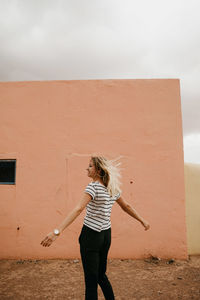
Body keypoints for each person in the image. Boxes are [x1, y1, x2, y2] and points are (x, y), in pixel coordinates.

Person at [41, 156, 150, 300]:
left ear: (98, 170)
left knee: (91, 280)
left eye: (90, 166)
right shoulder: (112, 187)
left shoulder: (93, 187)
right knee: (100, 275)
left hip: (91, 237)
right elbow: (126, 206)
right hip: (106, 236)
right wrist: (142, 220)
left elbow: (78, 208)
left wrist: (57, 231)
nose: (87, 168)